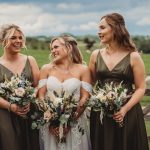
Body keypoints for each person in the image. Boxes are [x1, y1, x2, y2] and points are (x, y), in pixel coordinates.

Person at [89, 13, 149, 150]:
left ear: (115, 28)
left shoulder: (134, 57)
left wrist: (124, 110)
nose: (99, 32)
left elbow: (140, 88)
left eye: (102, 28)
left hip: (127, 114)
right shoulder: (95, 55)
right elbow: (90, 84)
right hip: (101, 115)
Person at [38, 35, 92, 150]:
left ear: (68, 47)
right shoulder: (46, 69)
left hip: (74, 123)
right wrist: (52, 120)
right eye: (51, 49)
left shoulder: (83, 69)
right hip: (50, 125)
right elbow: (41, 95)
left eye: (56, 47)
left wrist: (69, 121)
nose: (53, 51)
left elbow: (85, 97)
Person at [0, 24, 40, 150]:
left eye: (20, 37)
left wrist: (31, 97)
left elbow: (39, 85)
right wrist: (11, 106)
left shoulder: (30, 60)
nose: (18, 41)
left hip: (29, 112)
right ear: (2, 41)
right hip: (5, 115)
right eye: (13, 38)